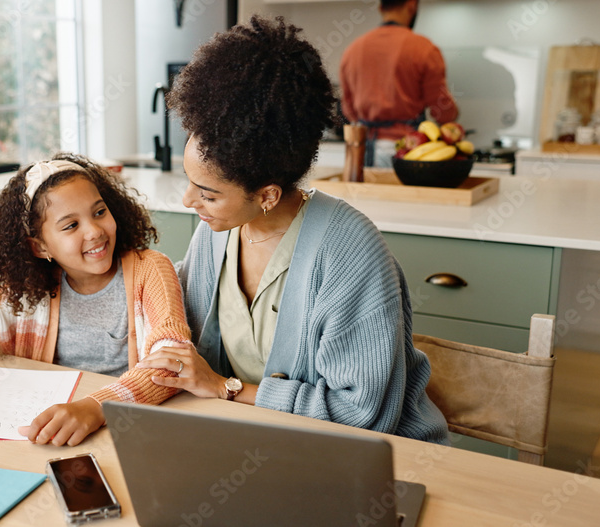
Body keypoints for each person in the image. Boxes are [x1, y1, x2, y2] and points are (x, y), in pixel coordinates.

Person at [136, 15, 449, 444]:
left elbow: (361, 415)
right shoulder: (216, 233)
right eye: (189, 183)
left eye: (207, 193)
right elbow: (180, 329)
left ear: (266, 195)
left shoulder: (349, 254)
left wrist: (227, 389)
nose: (189, 202)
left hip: (373, 455)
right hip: (260, 443)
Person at [0, 153, 192, 447]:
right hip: (53, 430)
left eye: (99, 212)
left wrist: (95, 408)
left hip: (125, 426)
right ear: (39, 247)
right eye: (70, 226)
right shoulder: (31, 293)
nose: (94, 231)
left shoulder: (150, 270)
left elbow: (173, 363)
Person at [339, 0, 459, 167]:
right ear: (412, 5)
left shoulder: (353, 49)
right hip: (408, 147)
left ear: (381, 8)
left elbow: (348, 109)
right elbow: (443, 110)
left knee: (366, 194)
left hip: (363, 149)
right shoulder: (424, 48)